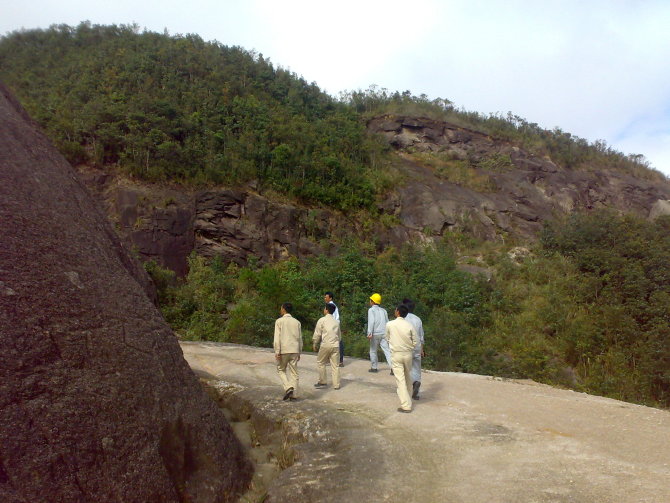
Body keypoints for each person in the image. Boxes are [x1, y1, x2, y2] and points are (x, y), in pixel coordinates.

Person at [385, 304, 417, 413]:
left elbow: (387, 338)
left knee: (400, 380)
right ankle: (409, 400)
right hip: (408, 354)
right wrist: (410, 347)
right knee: (408, 377)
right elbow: (416, 341)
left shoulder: (390, 324)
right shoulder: (409, 325)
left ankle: (406, 405)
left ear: (398, 312)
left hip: (396, 353)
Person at [273, 302, 302, 401]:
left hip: (284, 350)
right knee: (294, 372)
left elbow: (277, 338)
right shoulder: (297, 322)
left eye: (281, 308)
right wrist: (299, 351)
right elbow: (300, 338)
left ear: (284, 309)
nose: (280, 310)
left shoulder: (279, 321)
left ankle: (288, 387)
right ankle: (294, 394)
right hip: (294, 349)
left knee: (281, 370)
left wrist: (277, 351)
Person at [312, 303, 341, 390]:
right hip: (335, 345)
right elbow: (339, 336)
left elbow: (317, 333)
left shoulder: (322, 320)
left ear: (326, 310)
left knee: (321, 362)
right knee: (335, 365)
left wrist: (315, 343)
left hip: (325, 344)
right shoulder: (336, 322)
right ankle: (336, 385)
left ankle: (322, 381)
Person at [402, 298, 425, 400]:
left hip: (406, 347)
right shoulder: (418, 319)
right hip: (417, 347)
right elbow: (421, 336)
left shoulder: (403, 319)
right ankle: (416, 382)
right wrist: (421, 349)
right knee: (416, 368)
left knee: (406, 369)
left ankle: (407, 390)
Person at [367, 293, 390, 373]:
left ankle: (374, 367)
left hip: (375, 333)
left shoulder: (371, 310)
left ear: (373, 301)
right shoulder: (384, 310)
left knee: (373, 350)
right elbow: (387, 322)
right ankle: (393, 368)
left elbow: (371, 322)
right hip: (384, 333)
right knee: (387, 351)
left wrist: (369, 333)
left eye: (370, 300)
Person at [324, 292, 343, 367]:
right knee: (335, 341)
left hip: (333, 325)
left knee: (337, 341)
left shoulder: (331, 306)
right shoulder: (330, 305)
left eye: (326, 297)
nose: (325, 298)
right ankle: (333, 359)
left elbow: (334, 317)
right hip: (334, 324)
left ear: (330, 298)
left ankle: (339, 360)